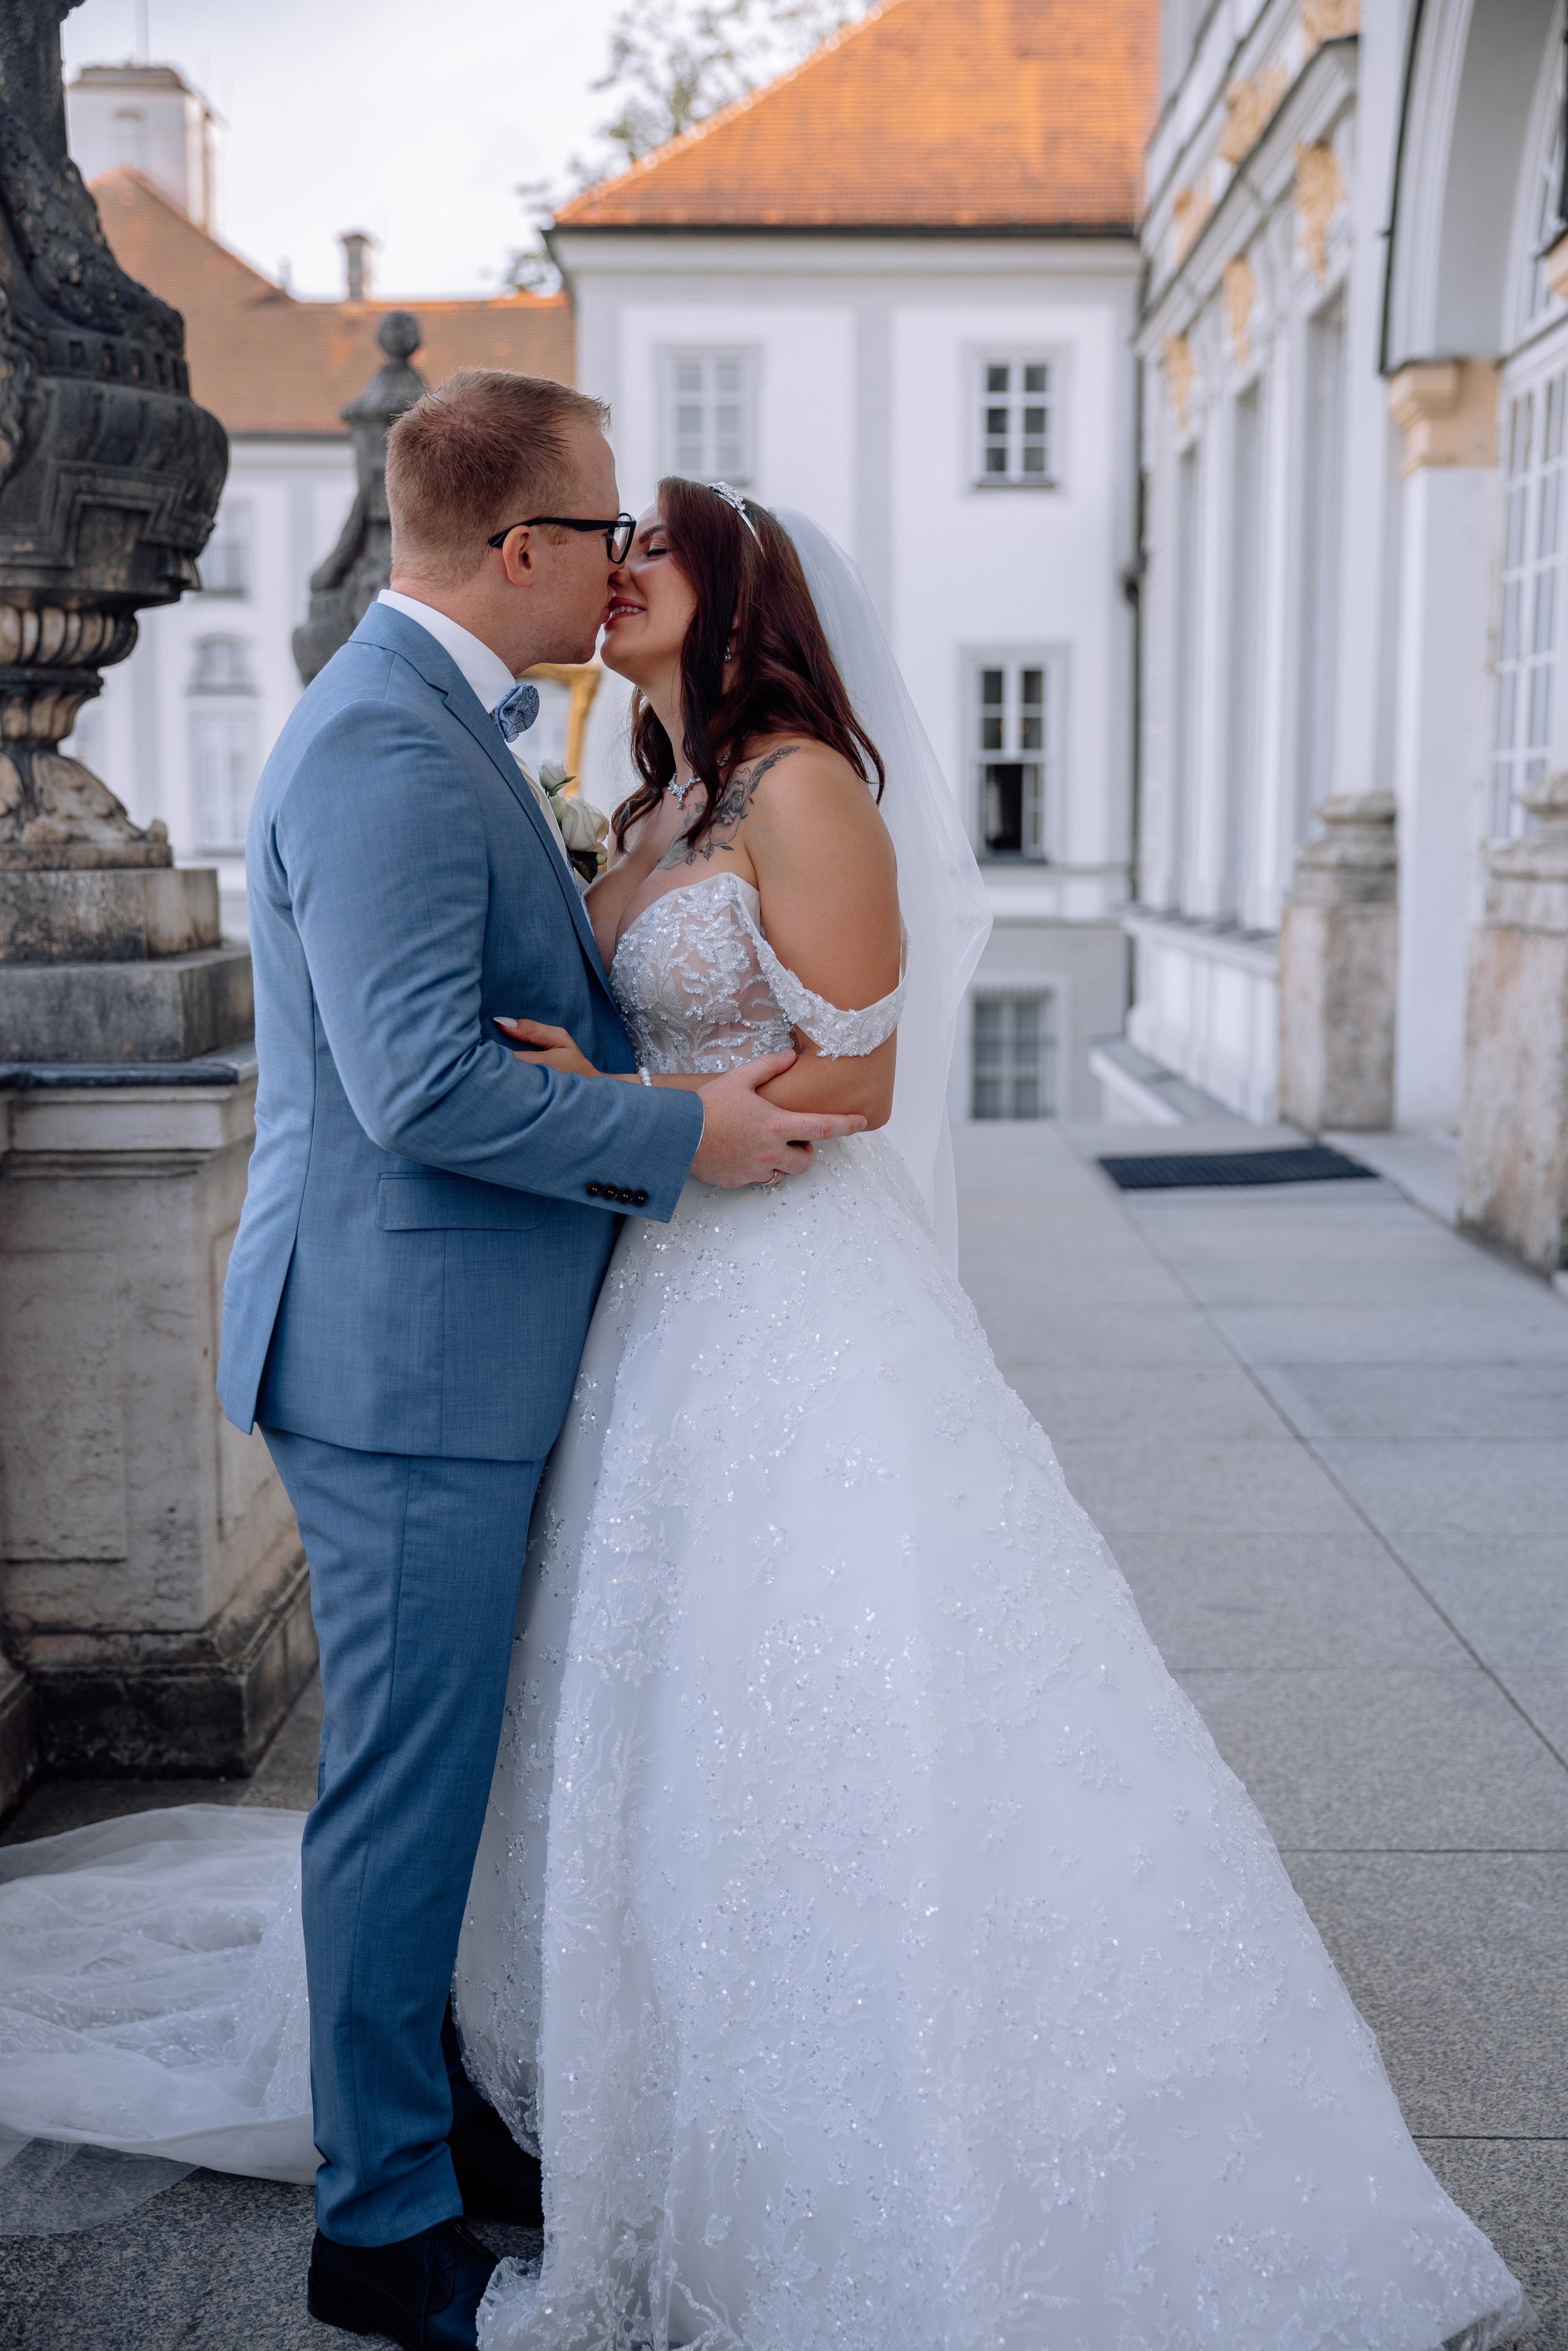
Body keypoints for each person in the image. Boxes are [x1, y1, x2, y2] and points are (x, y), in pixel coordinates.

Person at [0, 473, 1529, 2351]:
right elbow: (595, 1029)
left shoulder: (804, 784)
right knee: (643, 1700)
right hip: (649, 1290)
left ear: (738, 591)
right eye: (612, 538)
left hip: (790, 1283)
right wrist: (607, 1082)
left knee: (833, 1681)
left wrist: (651, 1109)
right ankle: (612, 2061)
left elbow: (859, 1082)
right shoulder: (655, 796)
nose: (621, 566)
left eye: (655, 545)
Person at [222, 376, 866, 2345]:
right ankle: (382, 2219)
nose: (617, 567)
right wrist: (680, 1134)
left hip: (454, 1345)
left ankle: (446, 2125)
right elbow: (417, 1087)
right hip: (402, 1360)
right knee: (406, 1796)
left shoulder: (449, 727)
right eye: (600, 532)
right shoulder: (386, 747)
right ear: (522, 548)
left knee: (461, 1784)